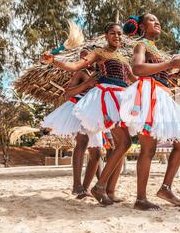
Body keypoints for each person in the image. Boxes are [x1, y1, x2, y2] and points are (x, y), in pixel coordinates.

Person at [42, 23, 137, 206]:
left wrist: (162, 79)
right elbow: (75, 66)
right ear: (106, 35)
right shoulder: (100, 53)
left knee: (121, 144)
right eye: (112, 33)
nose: (117, 36)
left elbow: (135, 79)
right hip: (108, 99)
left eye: (119, 34)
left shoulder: (124, 59)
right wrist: (53, 60)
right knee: (121, 143)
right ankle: (94, 187)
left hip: (122, 99)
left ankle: (105, 188)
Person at [121, 13, 180, 211]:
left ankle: (165, 188)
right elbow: (138, 68)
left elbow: (161, 72)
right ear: (141, 26)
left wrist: (179, 68)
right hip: (149, 96)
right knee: (149, 149)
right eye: (151, 19)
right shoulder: (141, 45)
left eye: (158, 19)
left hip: (162, 97)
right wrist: (168, 64)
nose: (157, 22)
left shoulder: (156, 50)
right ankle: (141, 199)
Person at [42, 49, 102, 199]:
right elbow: (68, 94)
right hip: (78, 110)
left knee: (97, 153)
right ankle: (77, 185)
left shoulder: (101, 73)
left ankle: (86, 189)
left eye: (86, 54)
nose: (84, 56)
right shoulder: (80, 73)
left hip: (94, 113)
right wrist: (87, 83)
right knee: (82, 142)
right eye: (82, 55)